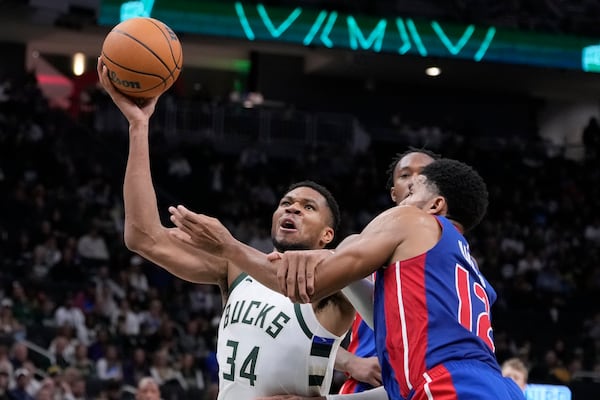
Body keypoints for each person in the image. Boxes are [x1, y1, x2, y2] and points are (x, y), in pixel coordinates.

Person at [96, 58, 357, 399]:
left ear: (327, 235)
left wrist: (227, 243)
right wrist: (138, 125)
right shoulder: (236, 270)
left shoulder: (333, 286)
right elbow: (141, 237)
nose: (291, 207)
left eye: (308, 207)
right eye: (286, 203)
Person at [167, 159, 525, 400]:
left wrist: (227, 246)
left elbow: (312, 284)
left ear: (436, 205)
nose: (402, 199)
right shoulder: (464, 267)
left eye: (413, 191)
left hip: (450, 386)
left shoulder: (412, 222)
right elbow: (399, 372)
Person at [337, 149, 439, 395]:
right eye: (405, 175)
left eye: (425, 174)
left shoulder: (456, 259)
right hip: (366, 387)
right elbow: (302, 323)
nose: (414, 180)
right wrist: (350, 362)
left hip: (429, 386)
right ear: (394, 193)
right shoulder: (359, 251)